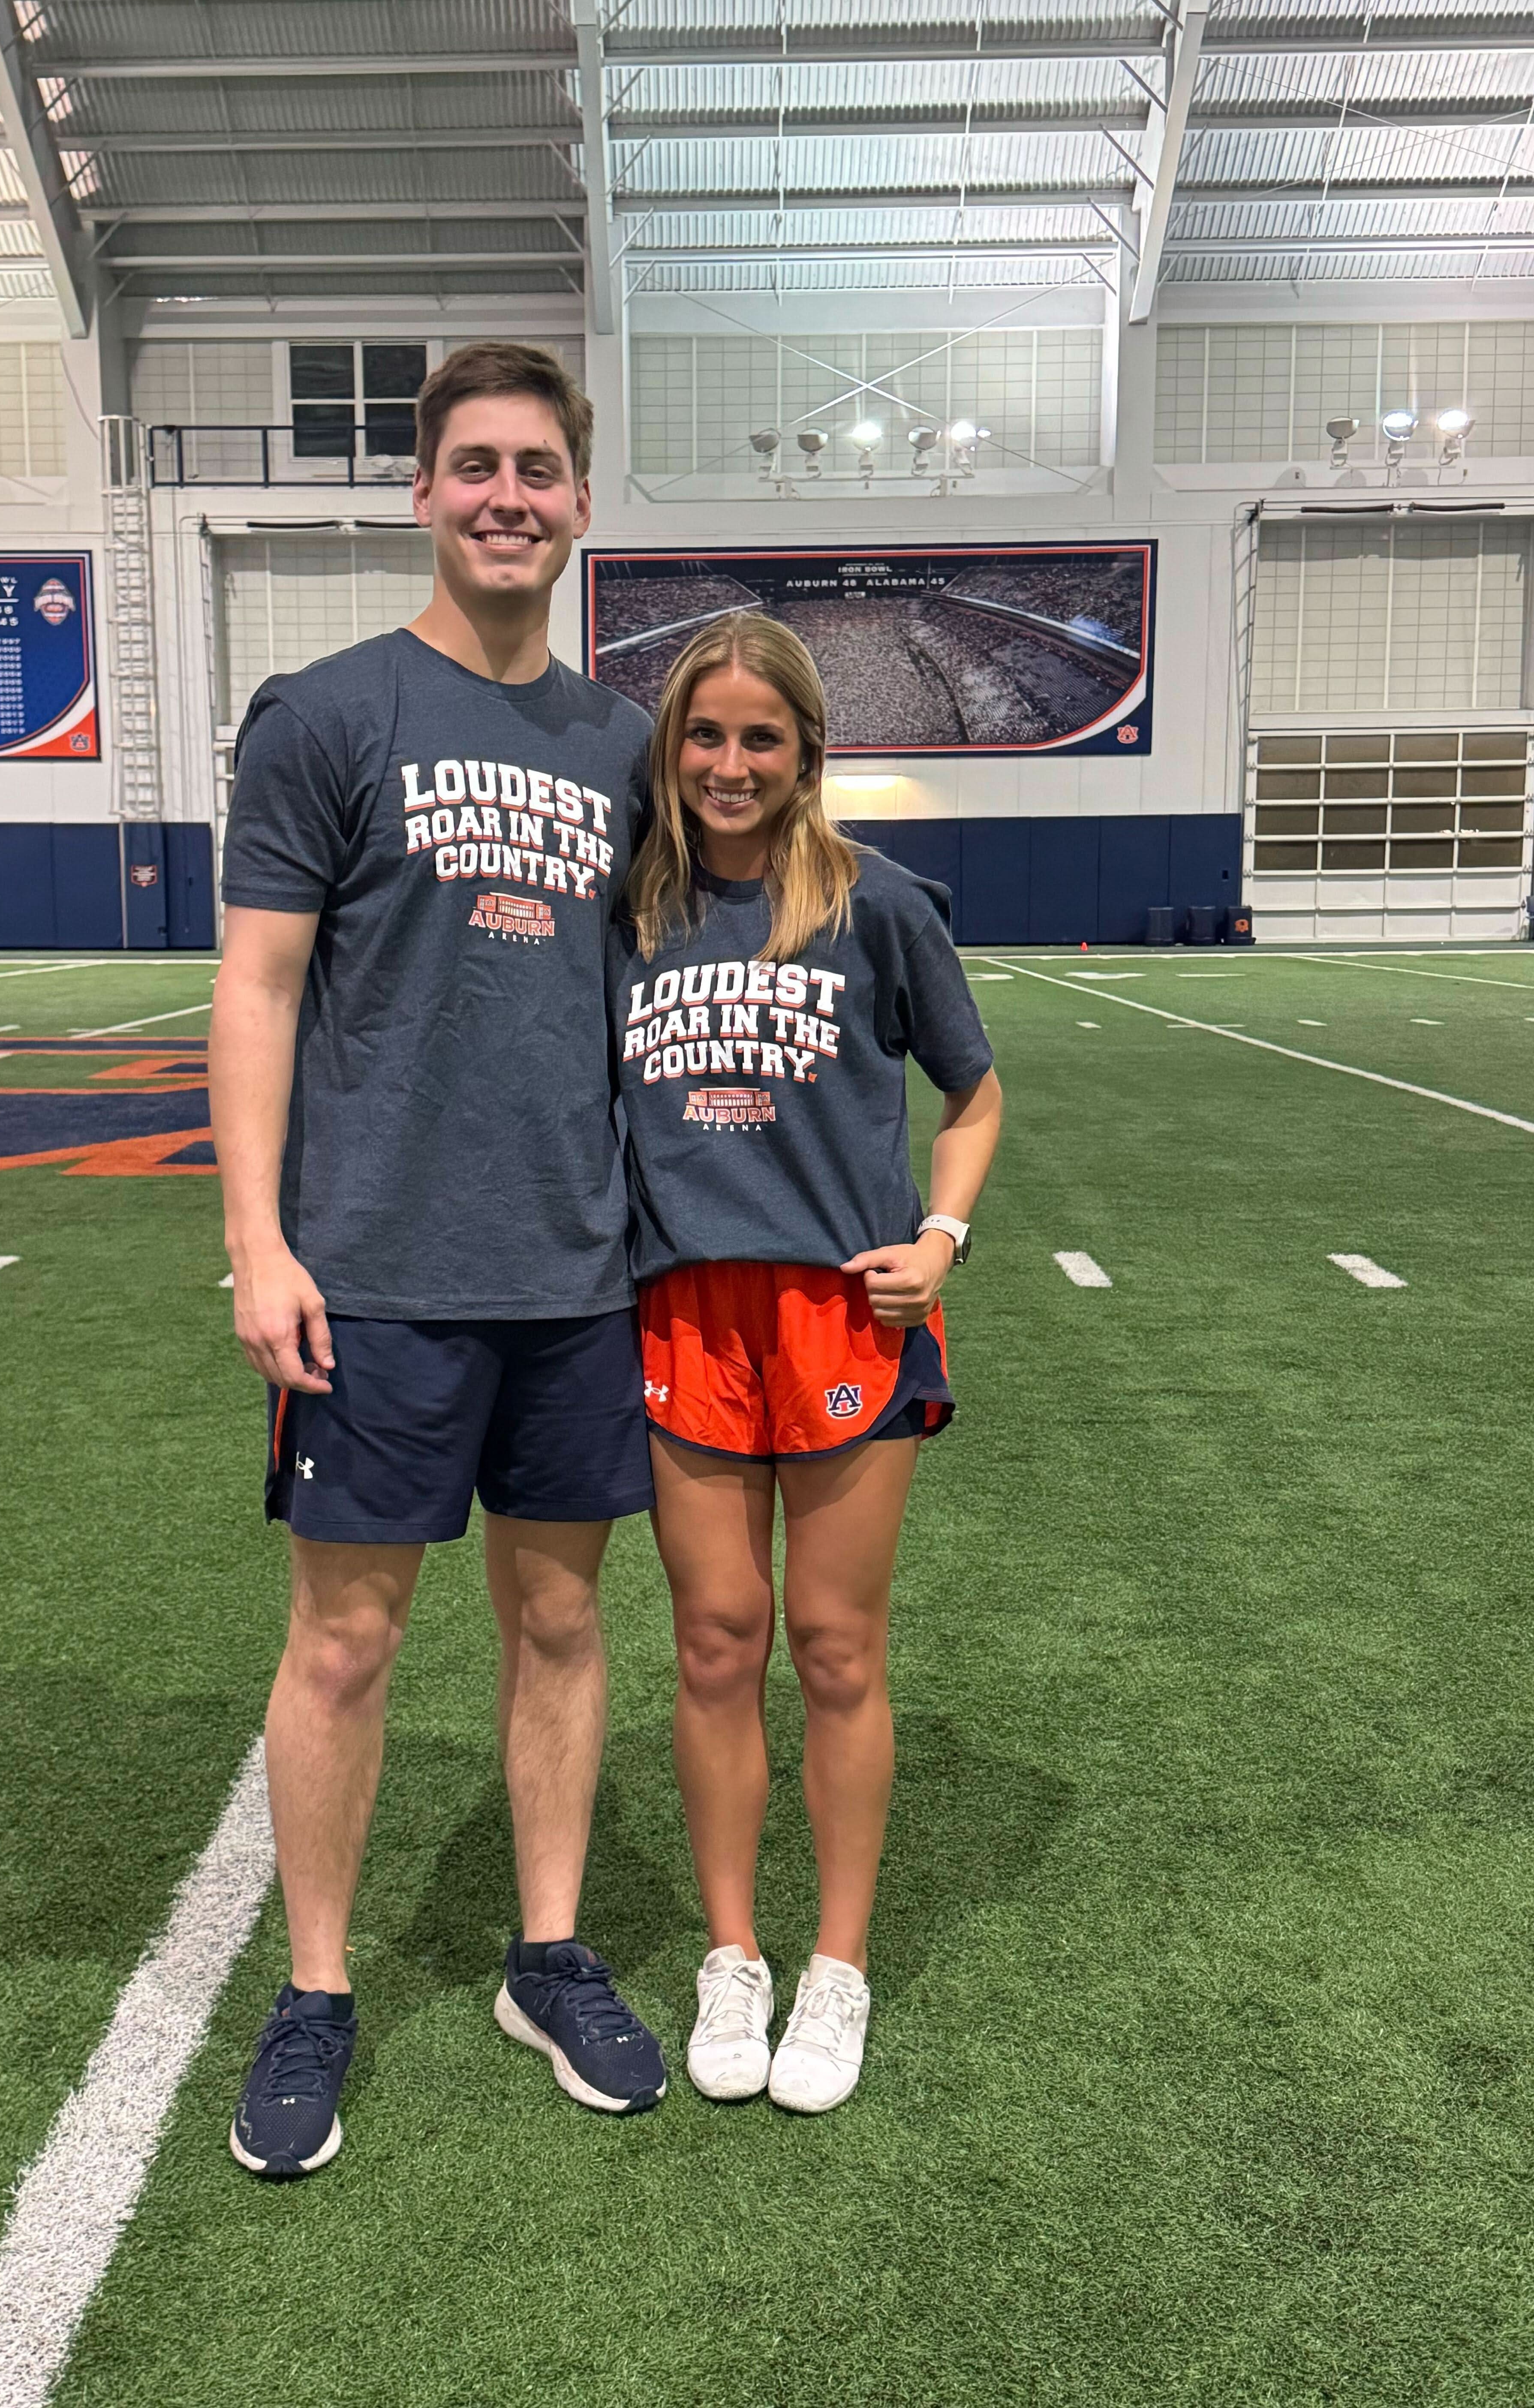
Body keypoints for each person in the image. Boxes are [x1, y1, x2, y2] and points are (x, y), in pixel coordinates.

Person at [210, 341, 665, 2179]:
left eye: (539, 468)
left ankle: (544, 1957)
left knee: (560, 1622)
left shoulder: (628, 746)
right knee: (345, 1641)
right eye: (473, 465)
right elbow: (255, 988)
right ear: (421, 493)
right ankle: (315, 1988)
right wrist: (258, 1238)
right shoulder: (324, 717)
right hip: (377, 1271)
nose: (507, 495)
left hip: (574, 1274)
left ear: (577, 501)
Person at [610, 613, 1002, 2114]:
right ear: (671, 750)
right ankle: (733, 1953)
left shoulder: (879, 905)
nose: (727, 764)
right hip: (684, 1317)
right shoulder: (623, 915)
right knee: (715, 1638)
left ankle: (834, 1968)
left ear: (805, 749)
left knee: (834, 1649)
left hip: (846, 1315)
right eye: (702, 736)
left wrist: (944, 1238)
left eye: (757, 737)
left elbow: (971, 1095)